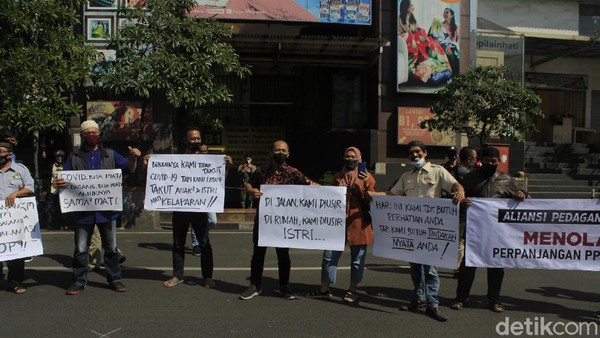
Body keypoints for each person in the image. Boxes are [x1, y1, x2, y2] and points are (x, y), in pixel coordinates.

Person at [370, 140, 464, 322]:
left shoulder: (437, 171)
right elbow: (392, 195)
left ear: (425, 153)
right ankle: (418, 299)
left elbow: (455, 186)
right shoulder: (406, 176)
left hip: (431, 231)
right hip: (412, 232)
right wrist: (374, 195)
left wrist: (460, 192)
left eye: (418, 152)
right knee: (415, 269)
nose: (415, 155)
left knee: (431, 270)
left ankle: (432, 304)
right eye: (411, 153)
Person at [54, 119, 140, 295]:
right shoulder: (74, 157)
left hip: (106, 212)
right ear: (83, 136)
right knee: (80, 249)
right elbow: (65, 180)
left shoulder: (110, 154)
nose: (91, 135)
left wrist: (133, 158)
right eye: (88, 133)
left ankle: (115, 279)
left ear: (99, 135)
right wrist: (59, 182)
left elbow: (129, 169)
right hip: (83, 213)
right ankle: (78, 280)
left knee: (111, 248)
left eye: (94, 132)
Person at [450, 146, 526, 313]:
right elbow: (457, 198)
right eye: (486, 161)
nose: (490, 164)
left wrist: (522, 193)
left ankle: (494, 301)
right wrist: (462, 202)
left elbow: (522, 197)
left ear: (498, 162)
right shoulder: (470, 178)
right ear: (480, 161)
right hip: (474, 232)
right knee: (467, 267)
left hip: (497, 234)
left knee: (496, 269)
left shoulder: (507, 180)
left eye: (493, 161)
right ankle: (460, 298)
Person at [239, 140, 318, 300]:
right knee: (258, 254)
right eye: (276, 150)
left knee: (283, 255)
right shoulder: (261, 171)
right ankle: (255, 285)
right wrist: (251, 190)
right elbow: (248, 184)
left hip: (284, 222)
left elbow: (310, 185)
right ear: (270, 153)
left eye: (283, 150)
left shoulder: (293, 173)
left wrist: (334, 193)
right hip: (264, 221)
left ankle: (284, 286)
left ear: (288, 154)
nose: (280, 153)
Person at [306, 147, 375, 303]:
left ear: (359, 158)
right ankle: (324, 288)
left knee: (357, 260)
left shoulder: (368, 177)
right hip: (337, 224)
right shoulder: (338, 177)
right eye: (347, 156)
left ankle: (352, 289)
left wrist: (364, 183)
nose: (350, 159)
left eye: (353, 157)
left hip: (358, 224)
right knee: (329, 256)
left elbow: (371, 197)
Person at [163, 129, 215, 289]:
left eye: (198, 138)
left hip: (200, 208)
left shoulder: (208, 160)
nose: (196, 141)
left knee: (204, 243)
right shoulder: (177, 159)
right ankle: (177, 275)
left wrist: (225, 166)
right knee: (178, 243)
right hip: (180, 208)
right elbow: (163, 175)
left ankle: (207, 277)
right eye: (192, 139)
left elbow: (217, 181)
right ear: (186, 141)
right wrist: (150, 163)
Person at [0, 142, 34, 294]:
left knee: (15, 250)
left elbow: (30, 188)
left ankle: (16, 281)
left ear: (9, 154)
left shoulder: (21, 170)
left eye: (1, 151)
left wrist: (16, 194)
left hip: (14, 219)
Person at [398, 0, 452, 85]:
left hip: (417, 42)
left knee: (428, 39)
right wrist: (410, 34)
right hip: (407, 43)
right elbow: (401, 35)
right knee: (412, 36)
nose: (413, 7)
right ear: (406, 7)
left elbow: (417, 31)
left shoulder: (413, 19)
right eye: (411, 5)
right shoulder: (399, 19)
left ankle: (435, 58)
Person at [189, 143, 217, 259]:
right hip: (195, 196)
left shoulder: (212, 162)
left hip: (208, 196)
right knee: (196, 221)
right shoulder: (190, 163)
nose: (204, 153)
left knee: (212, 220)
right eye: (201, 151)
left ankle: (202, 234)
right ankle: (196, 244)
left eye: (206, 151)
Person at [429, 7, 460, 75]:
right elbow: (435, 36)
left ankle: (457, 74)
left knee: (456, 54)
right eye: (444, 12)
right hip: (443, 45)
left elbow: (457, 40)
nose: (445, 14)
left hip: (453, 45)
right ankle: (453, 74)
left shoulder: (456, 26)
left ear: (451, 15)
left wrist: (456, 46)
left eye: (447, 12)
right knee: (449, 51)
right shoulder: (440, 25)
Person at [46, 150, 65, 230]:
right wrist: (45, 188)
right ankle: (50, 224)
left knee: (61, 209)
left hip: (62, 191)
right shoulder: (51, 166)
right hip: (53, 190)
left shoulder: (66, 165)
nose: (59, 158)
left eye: (61, 157)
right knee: (51, 208)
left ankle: (61, 224)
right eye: (58, 157)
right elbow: (47, 177)